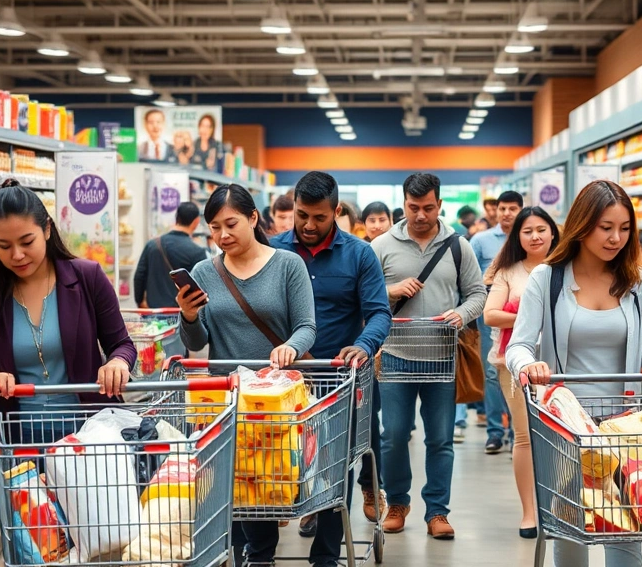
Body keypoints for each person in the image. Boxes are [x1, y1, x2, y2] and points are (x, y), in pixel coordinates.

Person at [506, 179, 642, 567]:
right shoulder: (548, 280)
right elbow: (518, 344)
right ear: (582, 226)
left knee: (626, 524)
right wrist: (526, 364)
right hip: (565, 424)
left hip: (626, 426)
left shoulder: (639, 280)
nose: (616, 238)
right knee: (570, 525)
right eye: (606, 227)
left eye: (624, 228)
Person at [176, 184, 317, 567]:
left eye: (231, 224)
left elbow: (307, 326)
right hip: (224, 397)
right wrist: (188, 316)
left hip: (273, 398)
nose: (222, 235)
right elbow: (196, 340)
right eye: (214, 228)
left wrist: (289, 346)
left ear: (254, 218)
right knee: (225, 486)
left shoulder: (288, 265)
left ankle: (259, 557)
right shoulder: (205, 271)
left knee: (261, 486)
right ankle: (239, 556)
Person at [0, 181, 136, 478]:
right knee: (32, 524)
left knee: (91, 522)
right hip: (19, 439)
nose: (17, 255)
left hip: (88, 434)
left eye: (27, 242)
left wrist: (118, 362)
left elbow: (122, 343)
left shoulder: (87, 277)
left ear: (47, 230)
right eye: (4, 246)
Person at [270, 172, 392, 561]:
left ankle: (325, 552)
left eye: (319, 217)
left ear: (336, 211)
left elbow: (378, 313)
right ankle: (298, 517)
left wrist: (363, 345)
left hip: (340, 379)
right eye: (301, 215)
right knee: (285, 459)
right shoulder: (273, 253)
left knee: (338, 461)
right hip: (285, 382)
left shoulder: (359, 254)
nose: (308, 225)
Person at [371, 173, 487, 540]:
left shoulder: (457, 246)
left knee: (440, 439)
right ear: (404, 204)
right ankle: (398, 504)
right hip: (394, 355)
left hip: (442, 358)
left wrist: (462, 314)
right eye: (413, 207)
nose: (421, 215)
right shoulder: (381, 245)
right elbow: (367, 298)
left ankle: (437, 512)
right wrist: (390, 291)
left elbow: (477, 293)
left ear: (440, 206)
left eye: (428, 207)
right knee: (393, 436)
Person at [483, 206, 558, 538]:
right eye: (527, 231)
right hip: (514, 366)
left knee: (562, 436)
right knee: (525, 436)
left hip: (561, 365)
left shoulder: (566, 268)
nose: (535, 236)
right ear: (517, 236)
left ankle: (560, 508)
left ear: (553, 232)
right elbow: (490, 315)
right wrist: (531, 319)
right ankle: (529, 513)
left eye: (541, 229)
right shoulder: (508, 273)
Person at [456, 190, 524, 452]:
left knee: (520, 373)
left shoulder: (528, 237)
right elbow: (468, 278)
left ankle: (517, 431)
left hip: (523, 318)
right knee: (493, 374)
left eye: (512, 208)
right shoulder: (481, 241)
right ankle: (496, 431)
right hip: (490, 318)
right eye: (502, 208)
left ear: (520, 210)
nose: (506, 213)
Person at [133, 201, 208, 309]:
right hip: (180, 314)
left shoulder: (152, 244)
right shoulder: (197, 251)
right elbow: (201, 287)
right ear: (196, 222)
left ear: (176, 218)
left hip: (153, 311)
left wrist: (140, 302)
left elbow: (139, 276)